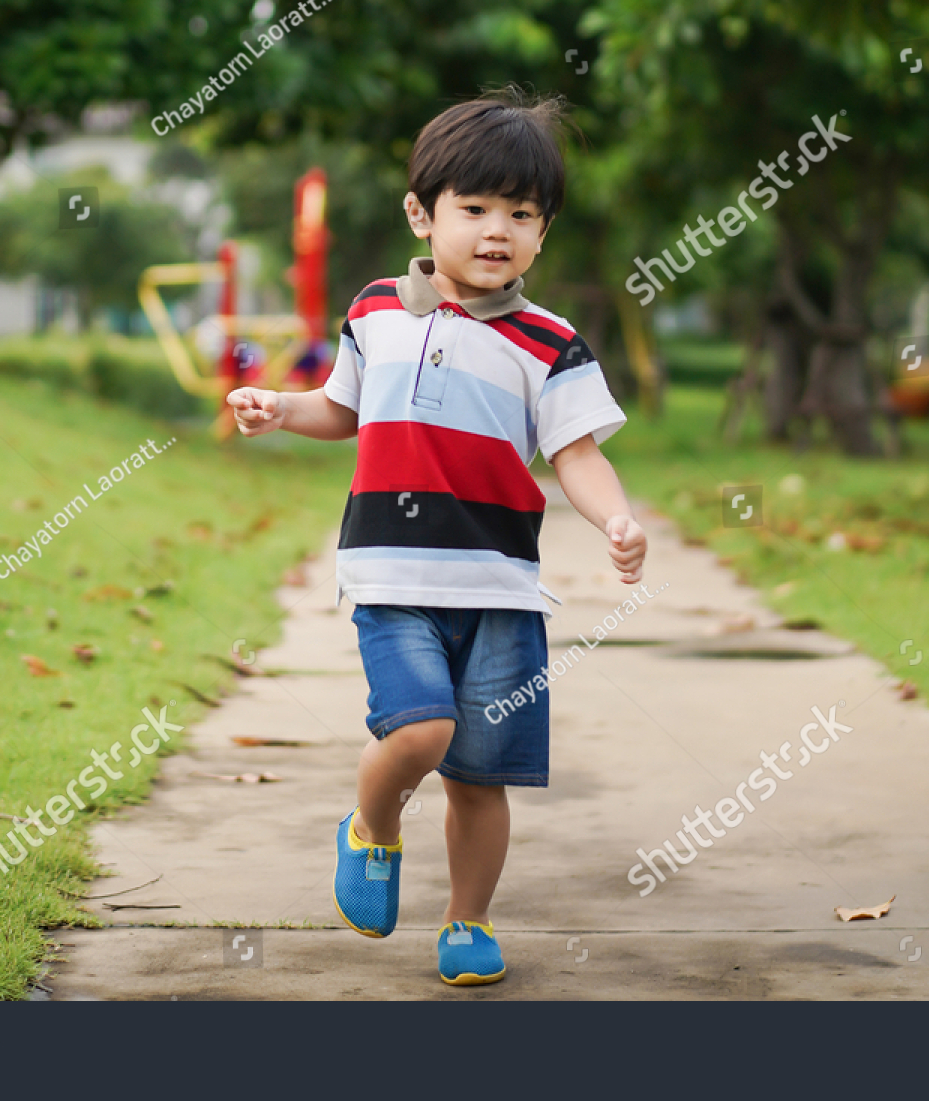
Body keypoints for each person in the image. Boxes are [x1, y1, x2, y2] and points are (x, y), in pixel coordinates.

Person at [227, 88, 647, 986]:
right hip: (391, 573)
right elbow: (340, 406)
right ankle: (372, 827)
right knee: (419, 731)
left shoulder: (551, 341)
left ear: (543, 232)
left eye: (522, 214)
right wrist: (280, 408)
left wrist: (614, 515)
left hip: (498, 587)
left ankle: (468, 920)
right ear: (423, 212)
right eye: (475, 208)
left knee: (478, 777)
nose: (498, 230)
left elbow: (575, 453)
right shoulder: (377, 309)